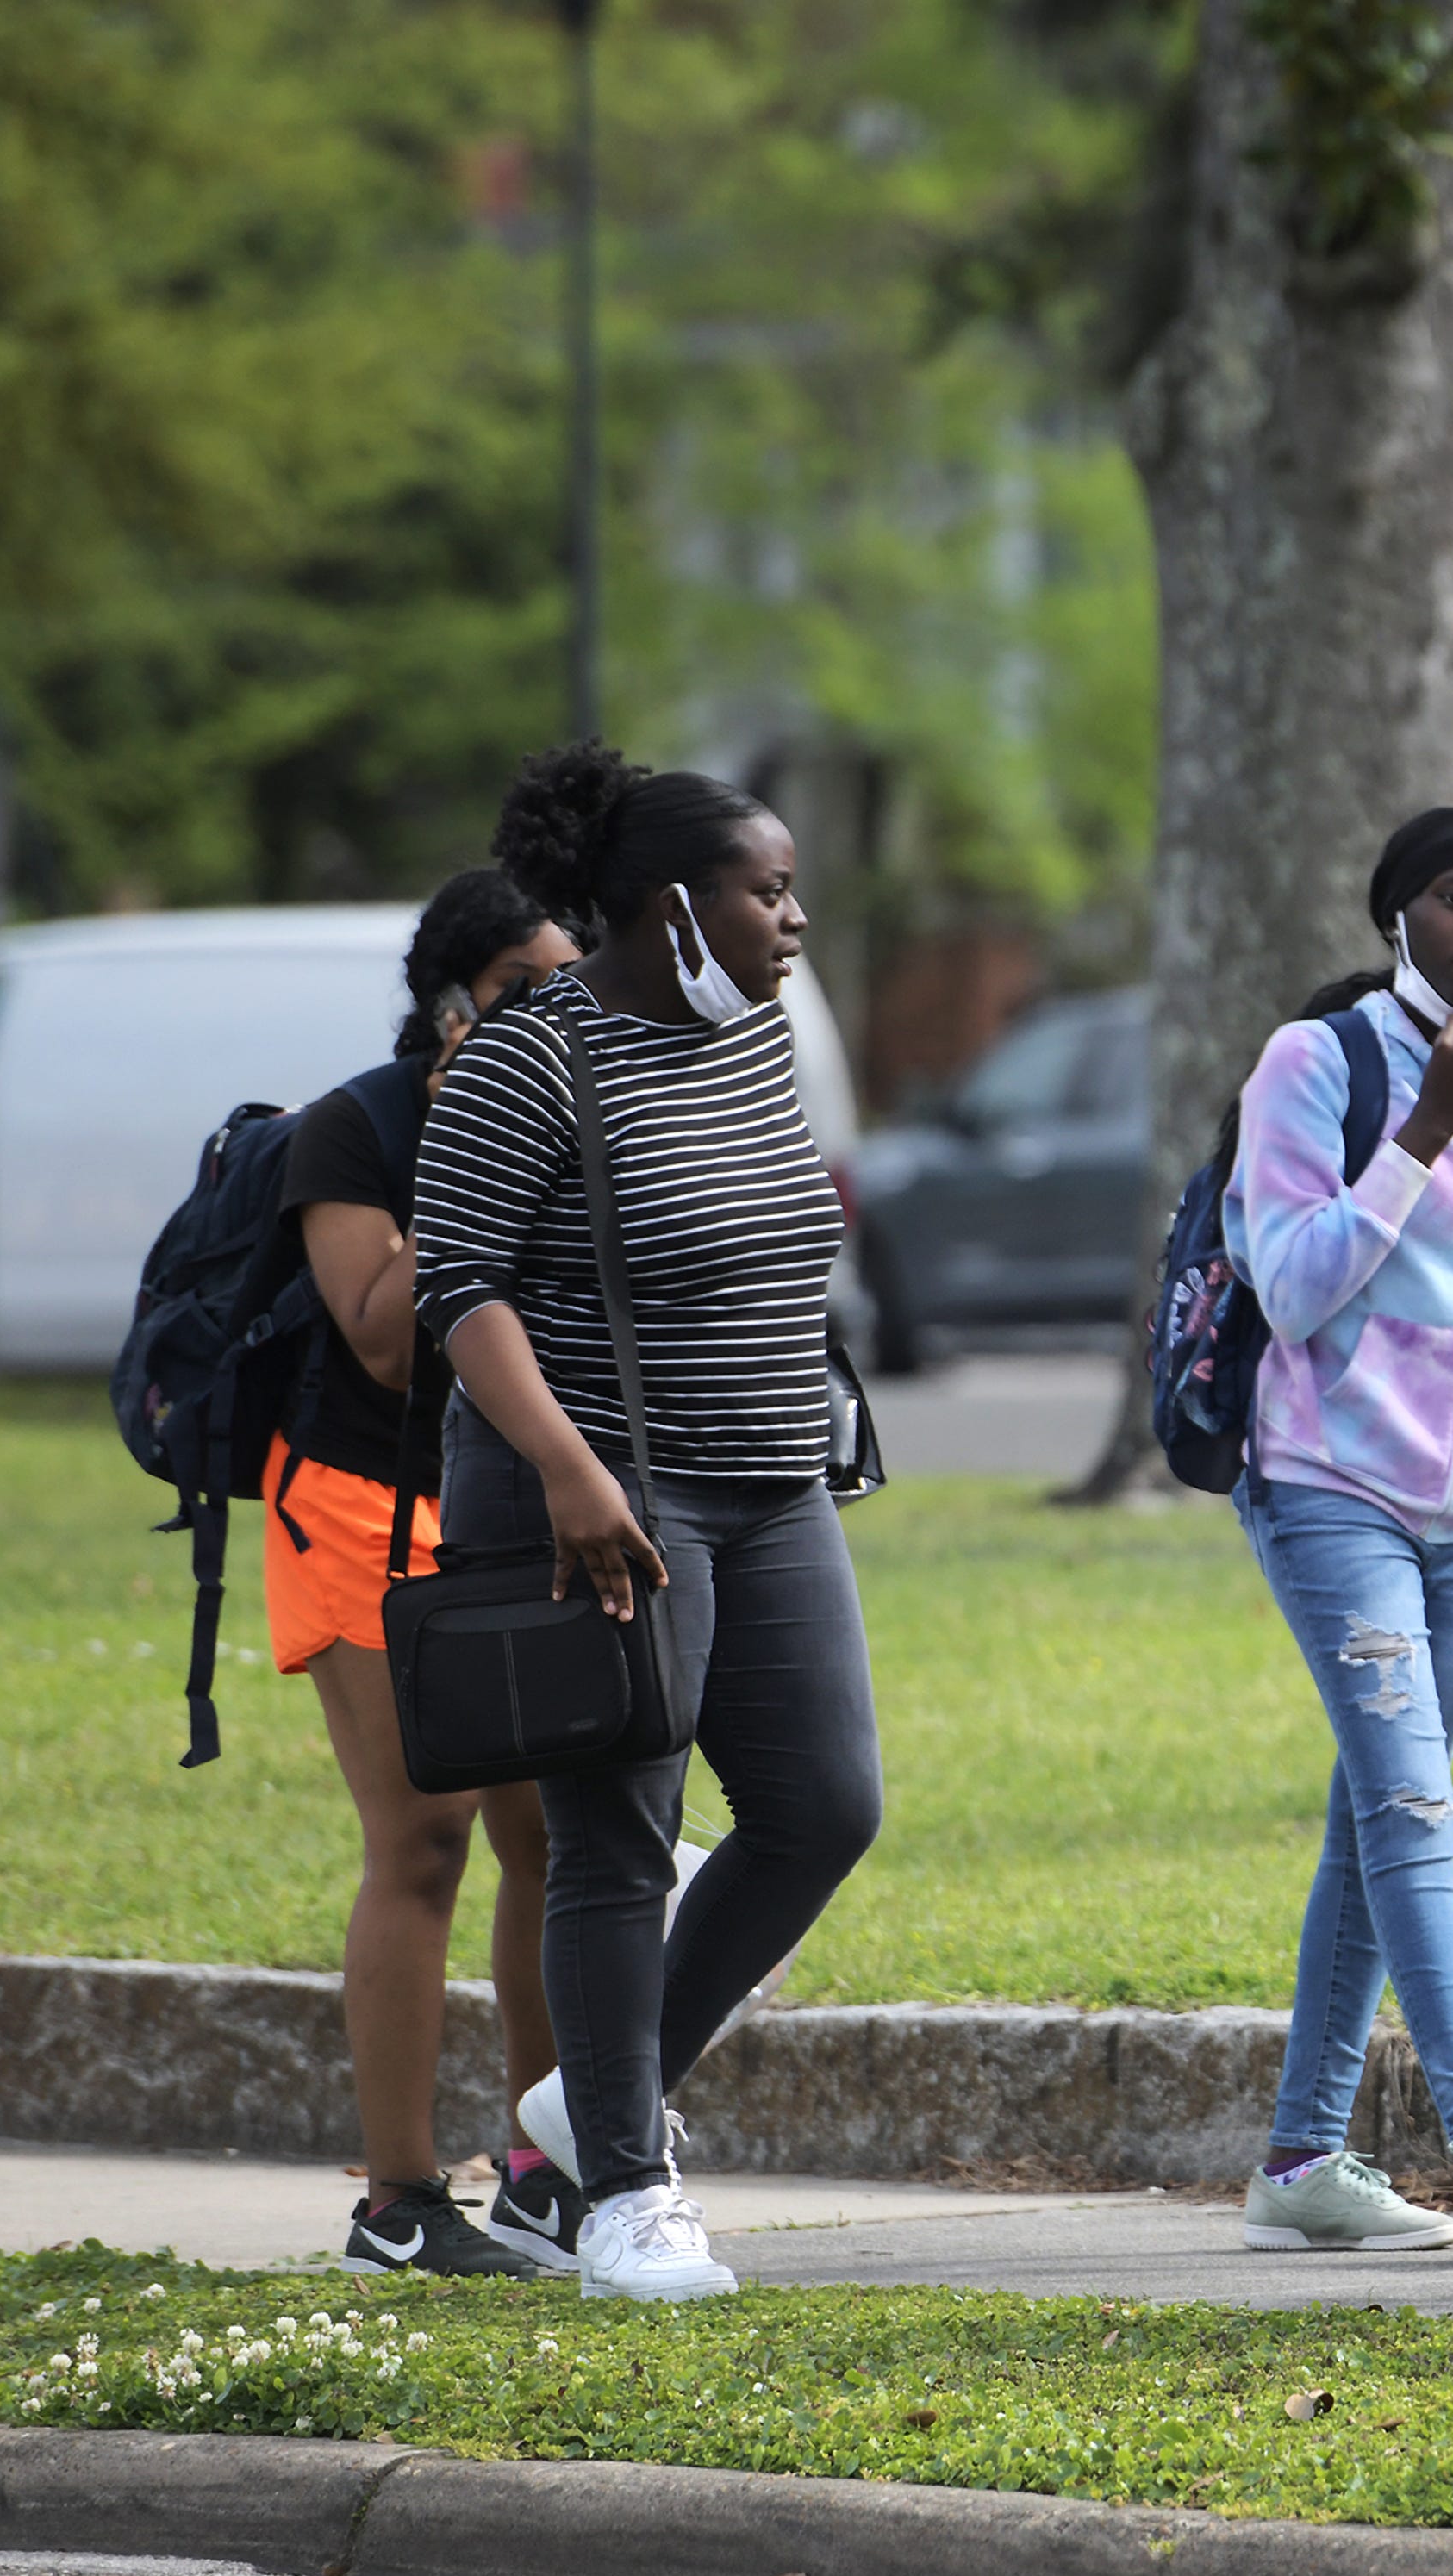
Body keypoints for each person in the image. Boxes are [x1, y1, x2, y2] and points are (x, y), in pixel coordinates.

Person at [417, 742, 883, 2304]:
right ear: (674, 905)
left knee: (824, 1804)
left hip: (770, 1483)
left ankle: (583, 2103)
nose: (794, 916)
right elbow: (458, 1285)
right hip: (612, 1498)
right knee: (614, 1842)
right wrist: (565, 1468)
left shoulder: (748, 1039)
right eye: (770, 889)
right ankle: (618, 2186)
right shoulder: (528, 1058)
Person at [1222, 807, 1453, 2258]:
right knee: (1412, 1809)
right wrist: (1420, 1135)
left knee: (1374, 1821)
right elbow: (1294, 1283)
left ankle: (1302, 2160)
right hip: (1333, 1488)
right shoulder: (1314, 1064)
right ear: (1398, 915)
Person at [275, 868, 575, 2278]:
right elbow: (389, 1339)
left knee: (548, 1836)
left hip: (496, 1502)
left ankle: (543, 2165)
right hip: (353, 1503)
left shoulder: (571, 1104)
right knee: (423, 1840)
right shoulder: (356, 1126)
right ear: (452, 1001)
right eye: (527, 988)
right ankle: (397, 2202)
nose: (554, 1013)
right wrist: (465, 1114)